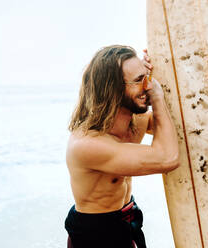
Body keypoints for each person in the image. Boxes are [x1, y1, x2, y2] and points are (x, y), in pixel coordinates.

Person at [64, 45, 180, 248]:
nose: (147, 86)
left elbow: (172, 126)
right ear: (112, 88)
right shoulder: (88, 144)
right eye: (138, 81)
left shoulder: (136, 121)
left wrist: (157, 70)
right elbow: (168, 158)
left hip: (128, 218)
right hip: (95, 234)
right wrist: (158, 98)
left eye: (147, 78)